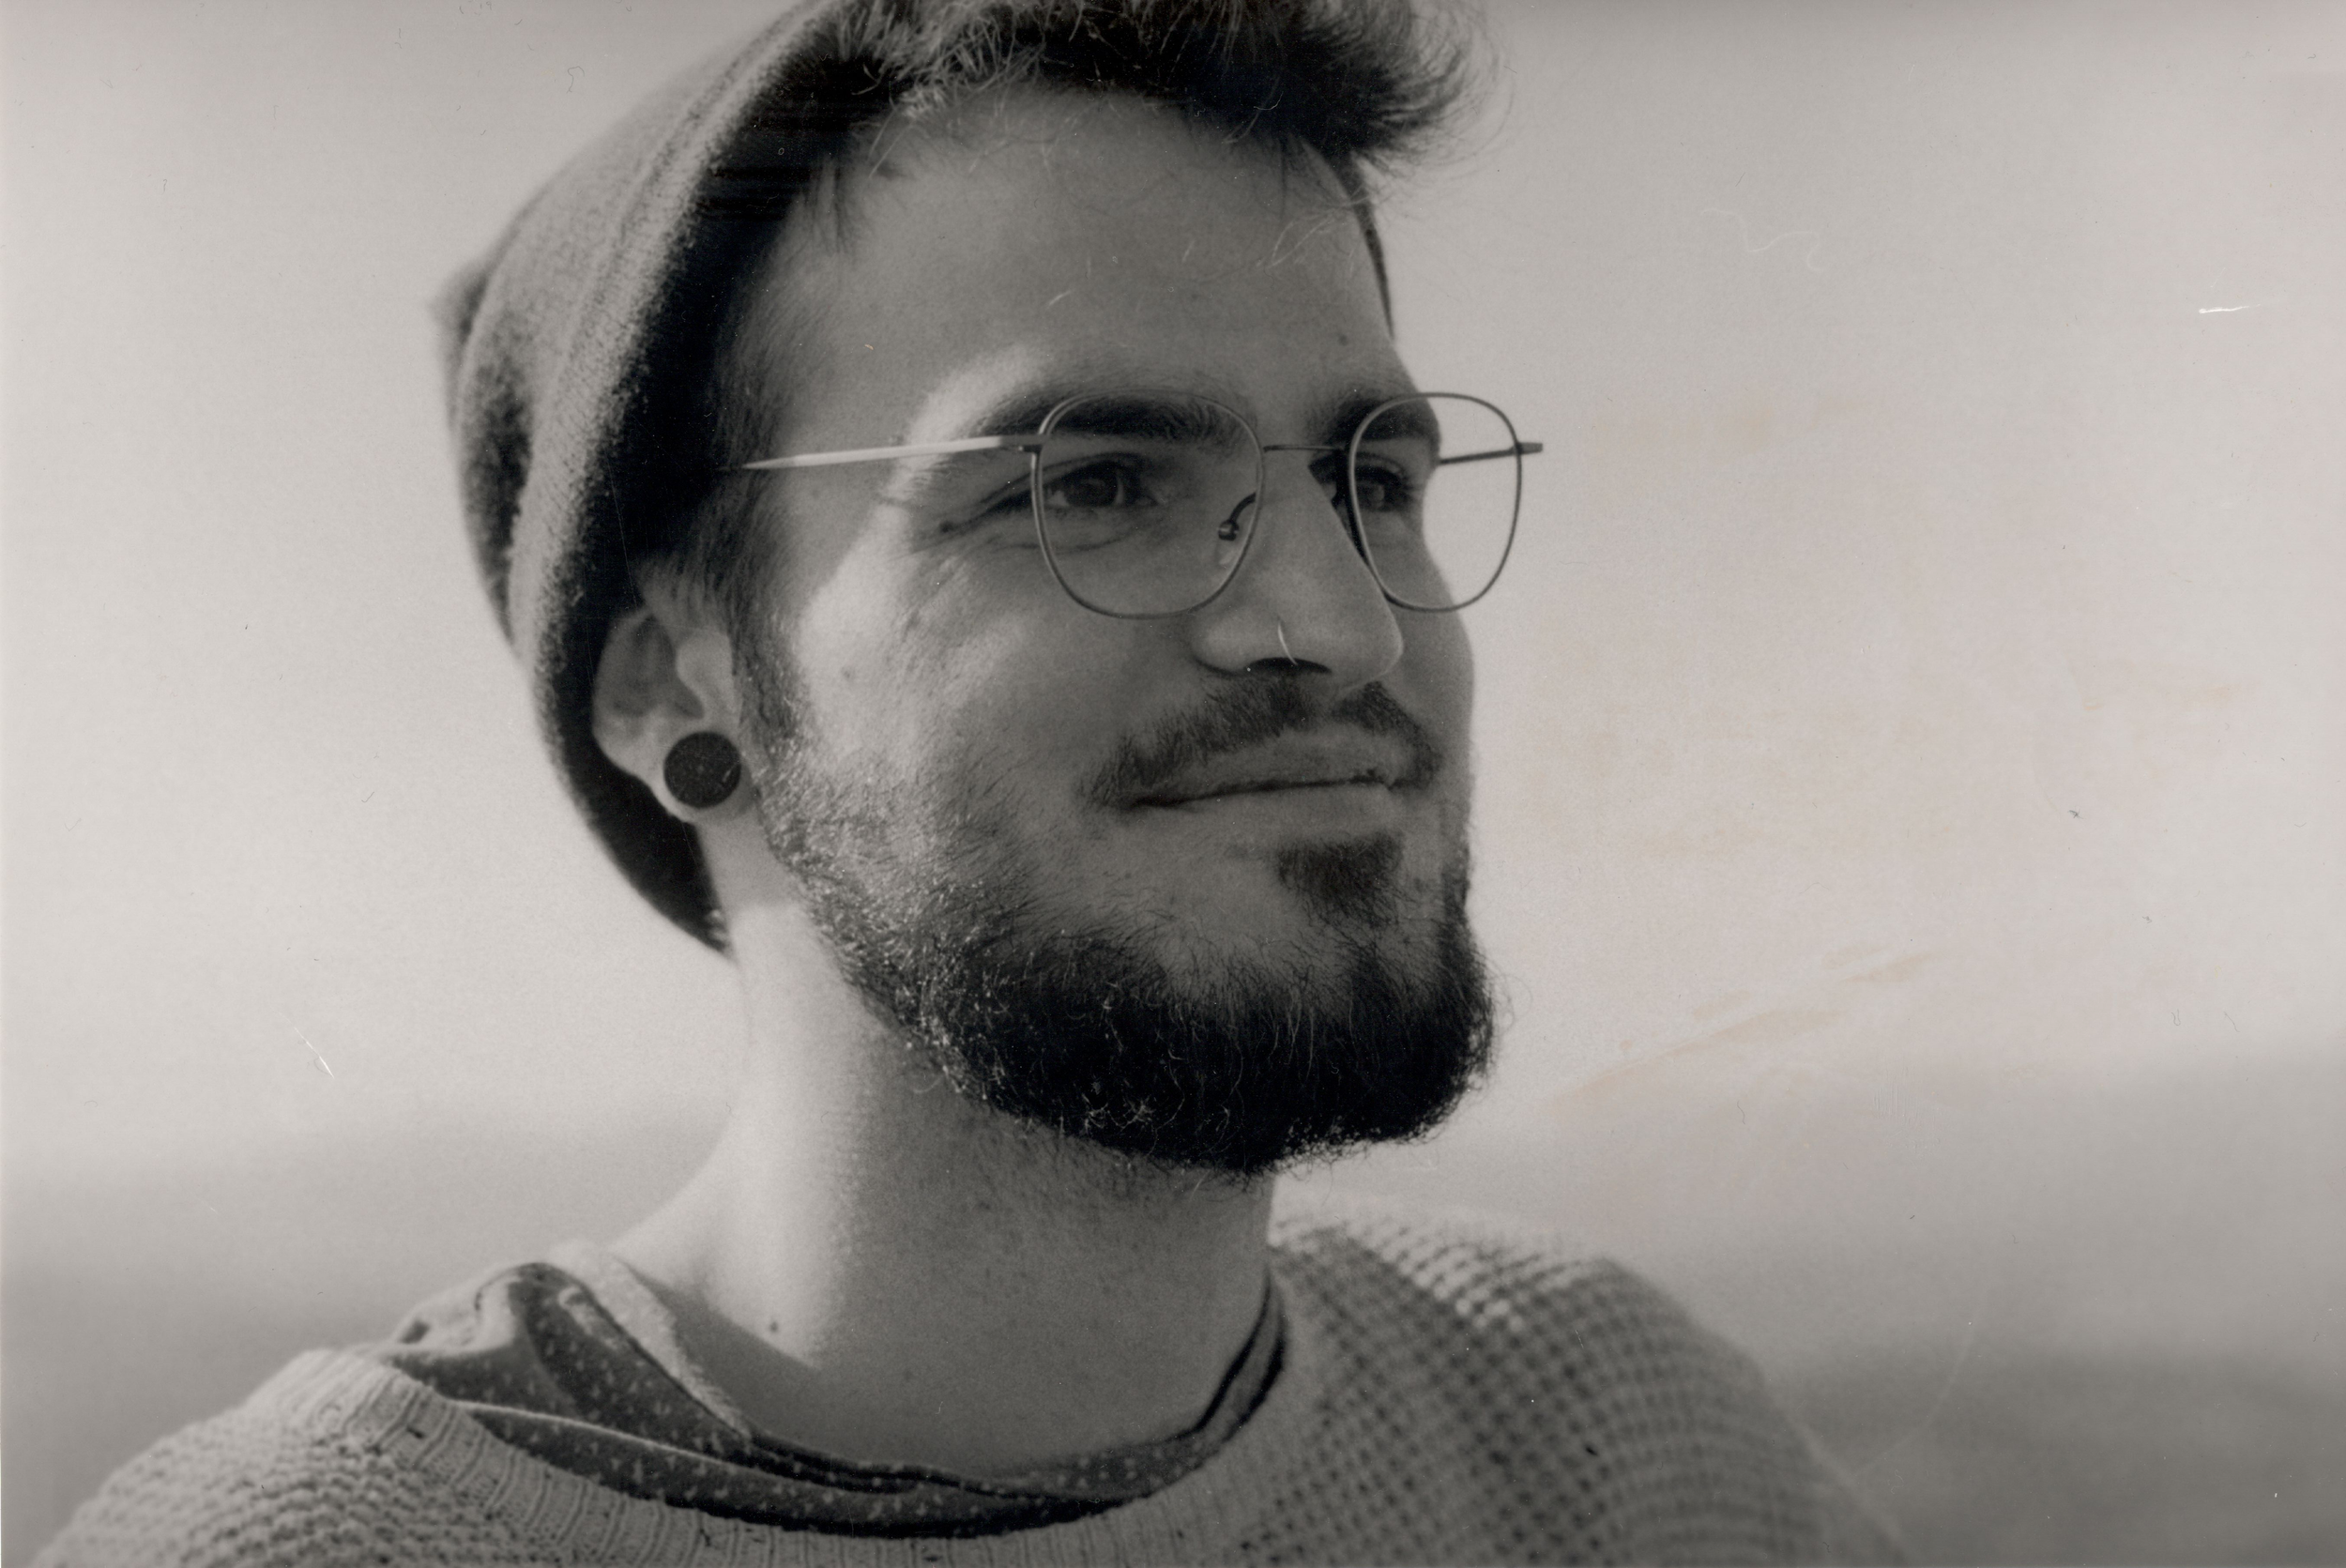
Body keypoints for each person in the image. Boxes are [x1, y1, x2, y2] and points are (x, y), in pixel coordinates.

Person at [38, 1, 1899, 1561]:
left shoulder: (1606, 1439)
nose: (1336, 623)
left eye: (1376, 482)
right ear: (668, 682)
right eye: (1091, 484)